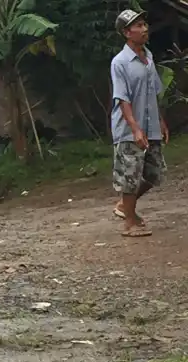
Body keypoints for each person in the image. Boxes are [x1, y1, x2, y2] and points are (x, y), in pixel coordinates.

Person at [111, 9, 169, 237]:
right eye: (138, 26)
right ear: (127, 33)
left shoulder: (149, 58)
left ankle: (124, 206)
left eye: (145, 24)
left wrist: (161, 121)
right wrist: (135, 128)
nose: (145, 29)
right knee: (130, 175)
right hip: (129, 129)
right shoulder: (120, 62)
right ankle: (130, 222)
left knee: (155, 173)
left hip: (151, 125)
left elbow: (154, 91)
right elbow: (122, 98)